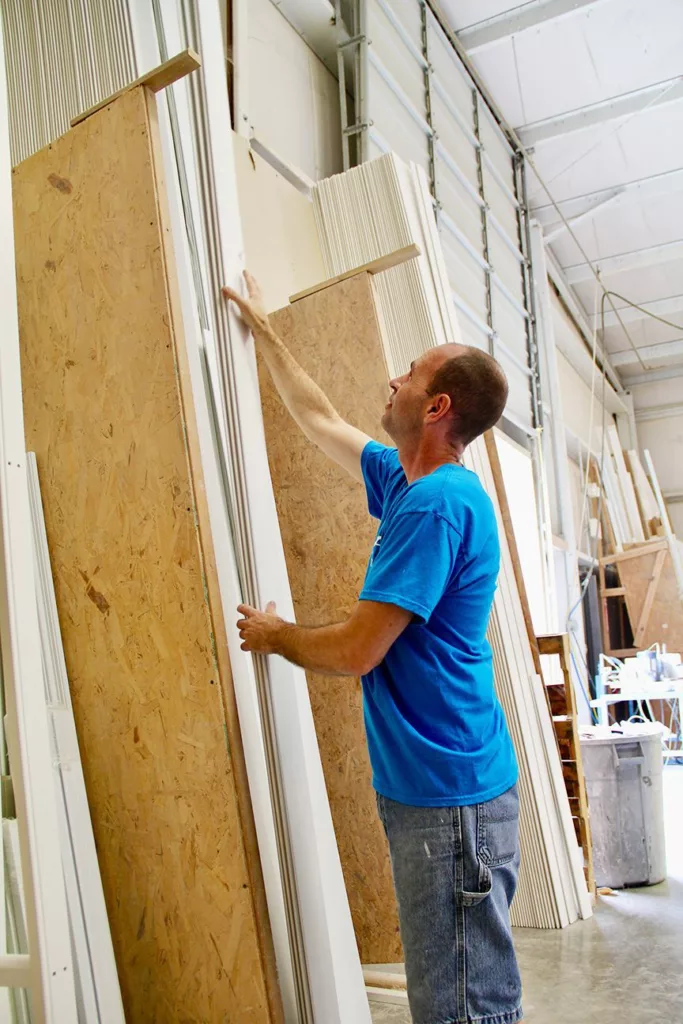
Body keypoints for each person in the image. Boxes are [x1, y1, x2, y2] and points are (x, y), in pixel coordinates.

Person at [223, 271, 523, 1024]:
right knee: (451, 993)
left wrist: (274, 635)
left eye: (410, 372)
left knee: (462, 1006)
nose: (392, 378)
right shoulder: (405, 479)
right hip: (432, 784)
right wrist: (263, 331)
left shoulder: (434, 505)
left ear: (436, 406)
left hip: (449, 794)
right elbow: (319, 418)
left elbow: (359, 649)